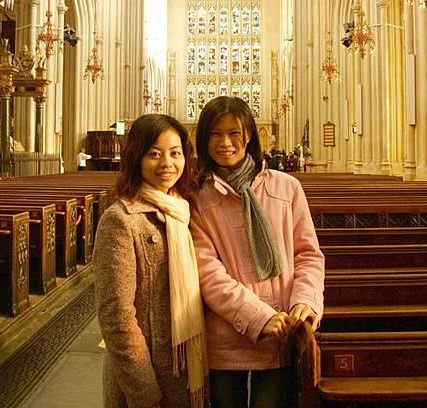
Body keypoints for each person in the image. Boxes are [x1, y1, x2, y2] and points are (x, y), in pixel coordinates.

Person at [189, 96, 324, 408]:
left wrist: (305, 302)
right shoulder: (197, 198)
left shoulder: (287, 187)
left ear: (249, 135)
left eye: (233, 133)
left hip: (283, 334)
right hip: (227, 338)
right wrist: (258, 317)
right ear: (203, 139)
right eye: (215, 134)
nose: (225, 143)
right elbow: (208, 273)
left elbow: (308, 255)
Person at [93, 114, 208, 408]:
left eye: (175, 153)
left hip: (183, 367)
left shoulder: (183, 210)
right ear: (136, 157)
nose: (167, 164)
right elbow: (116, 317)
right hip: (147, 377)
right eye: (154, 154)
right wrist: (144, 394)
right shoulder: (120, 220)